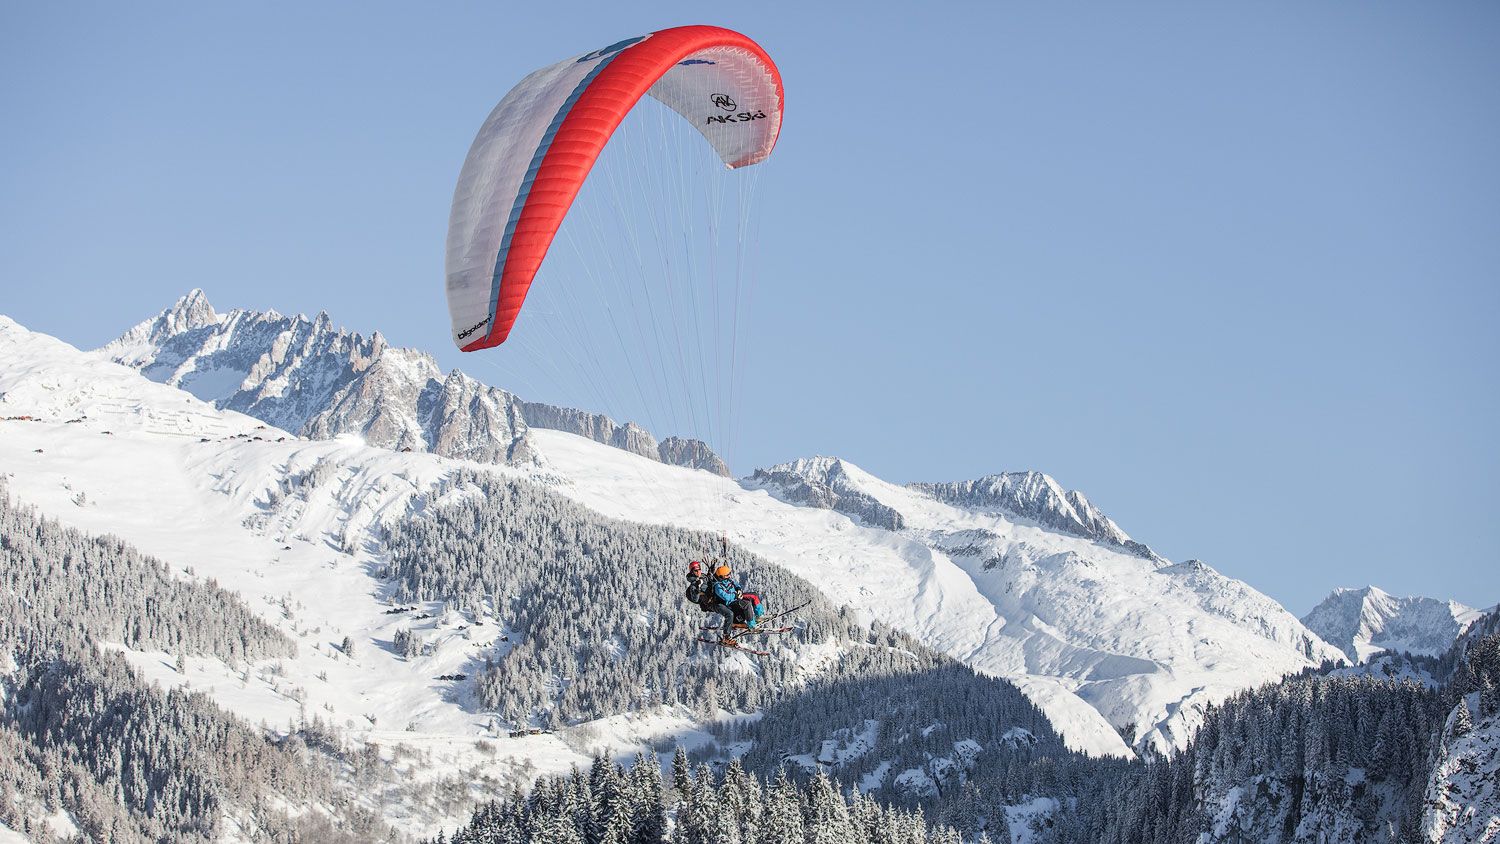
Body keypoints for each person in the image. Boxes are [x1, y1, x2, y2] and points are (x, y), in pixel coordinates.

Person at [685, 560, 763, 644]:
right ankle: (726, 637)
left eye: (699, 569)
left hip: (716, 598)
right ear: (692, 572)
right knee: (729, 613)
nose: (698, 572)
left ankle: (738, 622)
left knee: (735, 606)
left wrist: (711, 571)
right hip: (711, 603)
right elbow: (695, 599)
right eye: (695, 570)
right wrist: (697, 588)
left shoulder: (703, 576)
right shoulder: (694, 585)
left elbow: (711, 580)